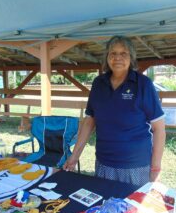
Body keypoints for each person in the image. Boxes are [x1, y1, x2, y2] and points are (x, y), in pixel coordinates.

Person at [63, 36, 165, 186]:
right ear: (107, 57)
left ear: (131, 57)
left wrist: (155, 167)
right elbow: (89, 122)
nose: (118, 58)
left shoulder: (143, 84)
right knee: (105, 206)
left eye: (123, 53)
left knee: (132, 208)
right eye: (113, 53)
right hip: (104, 163)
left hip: (135, 165)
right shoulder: (99, 83)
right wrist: (74, 156)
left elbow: (159, 129)